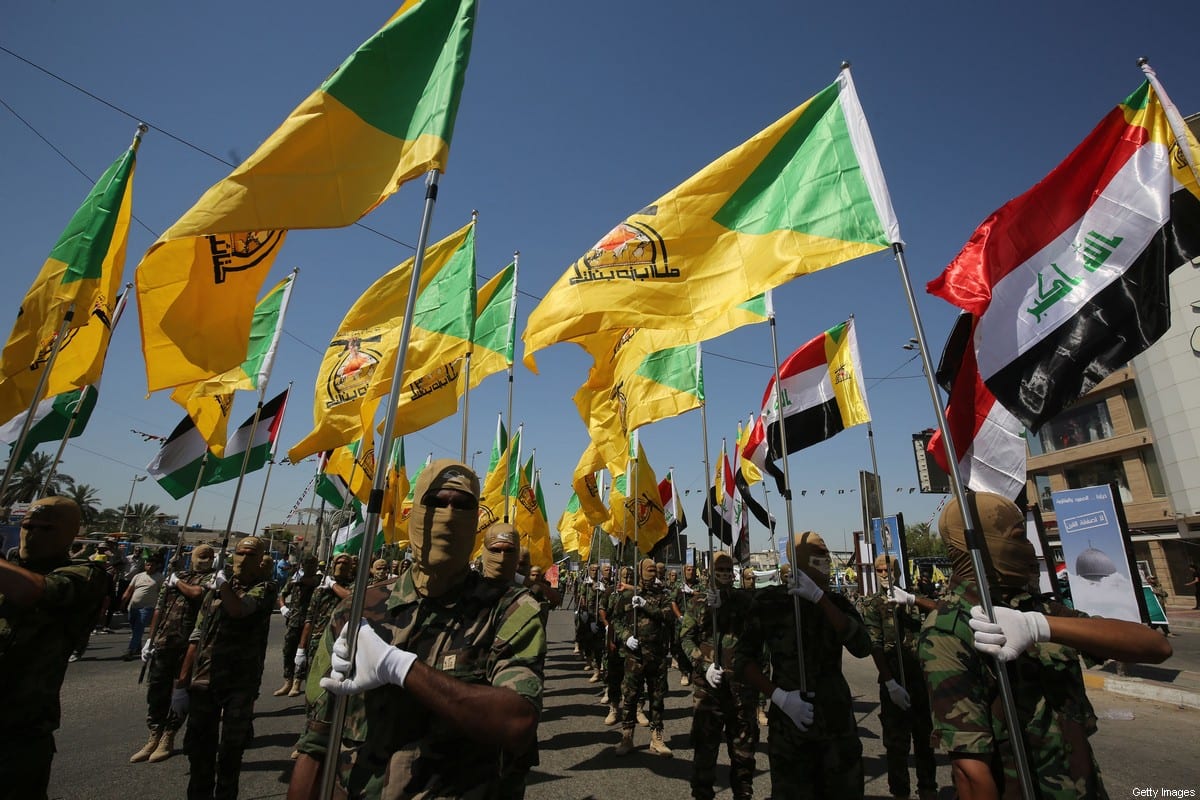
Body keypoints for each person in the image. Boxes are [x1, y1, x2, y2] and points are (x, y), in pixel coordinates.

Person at [288, 459, 546, 799]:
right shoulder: (358, 609)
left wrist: (400, 668)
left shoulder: (507, 609)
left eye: (462, 505)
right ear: (416, 512)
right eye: (437, 502)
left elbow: (517, 722)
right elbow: (317, 738)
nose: (449, 514)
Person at [919, 492, 1172, 799]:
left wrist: (1040, 626)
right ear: (979, 543)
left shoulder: (1040, 610)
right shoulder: (951, 627)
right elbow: (971, 773)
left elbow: (1155, 647)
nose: (1028, 549)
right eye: (1018, 537)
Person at [737, 531, 871, 799]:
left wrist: (820, 599)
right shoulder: (771, 602)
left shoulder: (836, 602)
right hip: (791, 729)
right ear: (804, 562)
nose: (827, 563)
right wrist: (779, 696)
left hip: (836, 726)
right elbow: (743, 659)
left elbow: (862, 646)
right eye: (820, 557)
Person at [0, 497, 110, 797]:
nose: (31, 534)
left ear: (70, 534)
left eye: (45, 528)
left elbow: (32, 590)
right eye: (26, 526)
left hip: (19, 730)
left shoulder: (85, 575)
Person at [173, 537, 278, 799]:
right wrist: (181, 682)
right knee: (199, 751)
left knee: (230, 754)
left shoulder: (265, 588)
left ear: (261, 560)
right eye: (238, 554)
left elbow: (238, 610)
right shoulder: (216, 587)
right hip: (205, 679)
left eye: (250, 555)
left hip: (239, 683)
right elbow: (198, 635)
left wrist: (222, 587)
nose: (242, 559)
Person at [680, 551, 758, 800]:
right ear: (711, 572)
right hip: (709, 688)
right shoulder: (698, 600)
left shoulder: (744, 600)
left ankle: (743, 794)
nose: (724, 575)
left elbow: (756, 631)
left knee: (743, 754)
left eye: (728, 570)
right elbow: (686, 638)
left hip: (740, 688)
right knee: (705, 751)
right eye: (719, 571)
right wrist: (703, 664)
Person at [130, 543, 216, 764]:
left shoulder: (213, 579)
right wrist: (150, 639)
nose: (205, 559)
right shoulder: (176, 575)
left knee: (181, 691)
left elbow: (197, 594)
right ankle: (154, 734)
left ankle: (169, 735)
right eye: (201, 555)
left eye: (209, 556)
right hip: (164, 641)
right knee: (157, 690)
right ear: (193, 557)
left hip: (191, 644)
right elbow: (160, 607)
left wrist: (178, 582)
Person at [860, 555, 937, 800]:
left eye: (888, 570)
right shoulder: (873, 603)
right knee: (896, 745)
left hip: (920, 678)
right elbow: (875, 644)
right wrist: (890, 682)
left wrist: (913, 600)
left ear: (898, 572)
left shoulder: (915, 598)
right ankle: (900, 792)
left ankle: (928, 788)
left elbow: (942, 611)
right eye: (879, 570)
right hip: (894, 678)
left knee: (925, 740)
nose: (884, 574)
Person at [612, 558, 674, 757]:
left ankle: (656, 738)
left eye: (654, 570)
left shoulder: (662, 596)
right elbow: (617, 621)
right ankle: (627, 736)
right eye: (648, 570)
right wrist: (626, 637)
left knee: (657, 698)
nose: (652, 574)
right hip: (634, 656)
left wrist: (646, 605)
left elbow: (667, 616)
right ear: (640, 572)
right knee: (630, 696)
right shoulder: (628, 595)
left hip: (656, 656)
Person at [275, 554, 320, 698]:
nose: (309, 567)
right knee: (288, 650)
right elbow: (282, 594)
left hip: (310, 621)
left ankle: (297, 682)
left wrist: (298, 579)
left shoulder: (319, 579)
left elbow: (311, 582)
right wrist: (283, 607)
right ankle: (287, 681)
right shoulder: (294, 579)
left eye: (312, 564)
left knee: (303, 652)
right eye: (306, 564)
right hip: (294, 620)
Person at [122, 552, 164, 660]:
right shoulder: (138, 576)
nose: (149, 567)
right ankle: (137, 646)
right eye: (148, 564)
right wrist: (123, 601)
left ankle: (130, 650)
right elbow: (129, 590)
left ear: (156, 566)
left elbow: (162, 593)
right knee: (134, 626)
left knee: (139, 628)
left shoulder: (160, 578)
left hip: (147, 607)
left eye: (152, 565)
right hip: (133, 606)